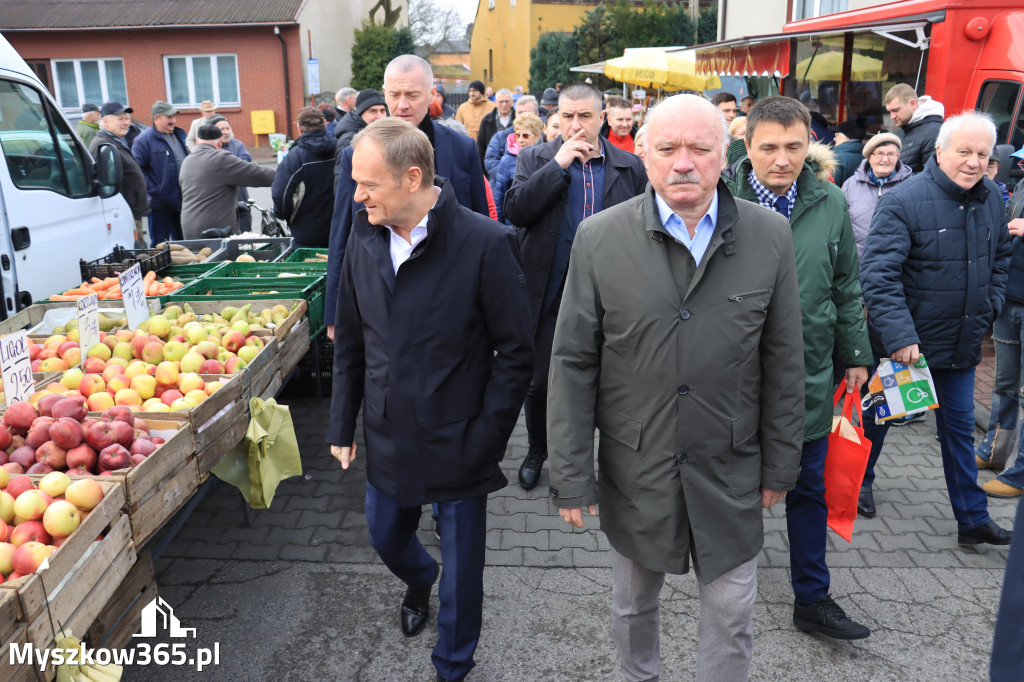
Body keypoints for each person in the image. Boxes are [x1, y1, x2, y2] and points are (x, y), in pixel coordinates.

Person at [547, 93, 805, 682]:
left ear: (726, 154)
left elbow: (785, 359)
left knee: (733, 612)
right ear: (642, 152)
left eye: (699, 148)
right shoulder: (598, 238)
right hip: (635, 467)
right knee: (633, 605)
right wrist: (570, 472)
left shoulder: (770, 236)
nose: (683, 163)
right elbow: (572, 363)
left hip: (731, 466)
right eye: (667, 148)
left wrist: (780, 465)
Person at [328, 118, 533, 682]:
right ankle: (420, 578)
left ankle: (453, 664)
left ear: (412, 177)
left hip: (461, 436)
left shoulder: (486, 243)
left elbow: (516, 352)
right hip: (388, 430)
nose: (357, 194)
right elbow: (352, 339)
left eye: (368, 183)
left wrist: (488, 437)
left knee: (465, 572)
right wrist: (341, 424)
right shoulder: (362, 236)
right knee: (385, 535)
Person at [725, 95, 873, 640]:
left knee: (809, 486)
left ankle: (811, 597)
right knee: (737, 490)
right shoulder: (721, 199)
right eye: (769, 147)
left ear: (810, 142)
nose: (783, 159)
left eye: (794, 146)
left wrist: (856, 354)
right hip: (735, 375)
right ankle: (727, 592)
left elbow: (845, 285)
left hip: (809, 371)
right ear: (747, 146)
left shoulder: (830, 202)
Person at [860, 111, 1013, 547]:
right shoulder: (903, 200)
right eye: (964, 151)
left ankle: (972, 520)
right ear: (940, 151)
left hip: (961, 344)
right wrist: (901, 337)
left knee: (959, 432)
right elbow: (879, 275)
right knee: (879, 421)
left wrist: (990, 306)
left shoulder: (993, 198)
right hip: (907, 348)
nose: (973, 161)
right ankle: (859, 484)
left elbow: (1000, 257)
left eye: (982, 154)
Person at [503, 82, 648, 491]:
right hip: (547, 292)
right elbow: (516, 211)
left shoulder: (628, 165)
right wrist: (558, 166)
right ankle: (538, 449)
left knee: (607, 383)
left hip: (611, 295)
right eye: (567, 116)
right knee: (540, 382)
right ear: (557, 117)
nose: (576, 125)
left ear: (602, 118)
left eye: (585, 116)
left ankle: (587, 464)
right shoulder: (535, 158)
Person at [326, 55, 489, 342]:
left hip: (455, 297)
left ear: (431, 93)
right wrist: (334, 315)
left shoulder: (462, 148)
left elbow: (481, 223)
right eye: (394, 95)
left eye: (412, 95)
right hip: (383, 299)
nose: (402, 105)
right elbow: (342, 234)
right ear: (384, 93)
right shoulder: (356, 152)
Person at [975, 175, 1024, 499]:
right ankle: (994, 450)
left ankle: (1019, 474)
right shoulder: (1022, 184)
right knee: (1004, 384)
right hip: (1011, 299)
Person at [179, 125, 275, 238]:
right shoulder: (220, 159)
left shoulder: (187, 161)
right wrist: (284, 176)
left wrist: (234, 205)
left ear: (197, 140)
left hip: (189, 228)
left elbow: (203, 194)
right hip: (215, 230)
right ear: (220, 143)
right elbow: (256, 174)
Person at [272, 107, 336, 248]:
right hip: (340, 229)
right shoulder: (341, 147)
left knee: (309, 270)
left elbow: (280, 196)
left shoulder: (295, 157)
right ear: (325, 123)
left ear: (299, 128)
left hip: (307, 234)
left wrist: (285, 216)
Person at [841, 132, 911, 259]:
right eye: (880, 153)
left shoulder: (911, 185)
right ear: (869, 156)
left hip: (899, 264)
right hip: (858, 264)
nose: (885, 159)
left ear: (898, 156)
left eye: (891, 154)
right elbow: (840, 226)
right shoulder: (849, 186)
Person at [90, 101, 149, 243]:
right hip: (122, 213)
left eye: (127, 118)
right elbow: (107, 182)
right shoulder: (103, 145)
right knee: (135, 252)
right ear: (106, 122)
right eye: (120, 119)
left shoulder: (115, 141)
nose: (126, 123)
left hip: (130, 211)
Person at [133, 101, 189, 245]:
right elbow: (138, 169)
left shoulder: (180, 135)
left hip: (183, 200)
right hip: (160, 204)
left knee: (185, 242)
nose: (173, 121)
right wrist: (155, 191)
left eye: (174, 117)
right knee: (160, 243)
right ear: (156, 118)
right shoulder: (143, 140)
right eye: (169, 117)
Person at [206, 114, 255, 232]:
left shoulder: (237, 145)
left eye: (227, 128)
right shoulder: (208, 149)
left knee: (246, 240)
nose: (226, 132)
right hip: (220, 209)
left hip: (241, 203)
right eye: (222, 129)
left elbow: (245, 162)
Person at [492, 112, 542, 224]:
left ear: (538, 136)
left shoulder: (547, 157)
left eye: (525, 135)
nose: (520, 139)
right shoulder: (507, 161)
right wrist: (499, 227)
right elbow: (500, 199)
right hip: (513, 225)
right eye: (517, 135)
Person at [884, 83, 944, 173]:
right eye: (890, 111)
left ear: (913, 104)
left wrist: (892, 179)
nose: (892, 116)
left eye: (895, 110)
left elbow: (931, 178)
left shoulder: (934, 132)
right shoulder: (903, 130)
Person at [334, 89, 388, 181]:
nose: (380, 116)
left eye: (382, 111)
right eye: (373, 111)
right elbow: (342, 180)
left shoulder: (379, 132)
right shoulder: (349, 139)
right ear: (360, 113)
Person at [484, 96, 540, 177]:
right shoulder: (500, 137)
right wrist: (512, 175)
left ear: (537, 114)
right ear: (515, 114)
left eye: (528, 112)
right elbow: (490, 162)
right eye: (520, 112)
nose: (524, 116)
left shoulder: (545, 137)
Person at [477, 88, 515, 173]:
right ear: (496, 102)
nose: (504, 105)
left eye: (507, 101)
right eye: (501, 102)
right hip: (493, 167)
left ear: (512, 102)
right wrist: (481, 170)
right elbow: (481, 146)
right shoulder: (487, 120)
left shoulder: (518, 119)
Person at [830, 120, 866, 188]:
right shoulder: (867, 156)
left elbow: (831, 187)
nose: (834, 138)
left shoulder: (835, 157)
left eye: (837, 135)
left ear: (847, 137)